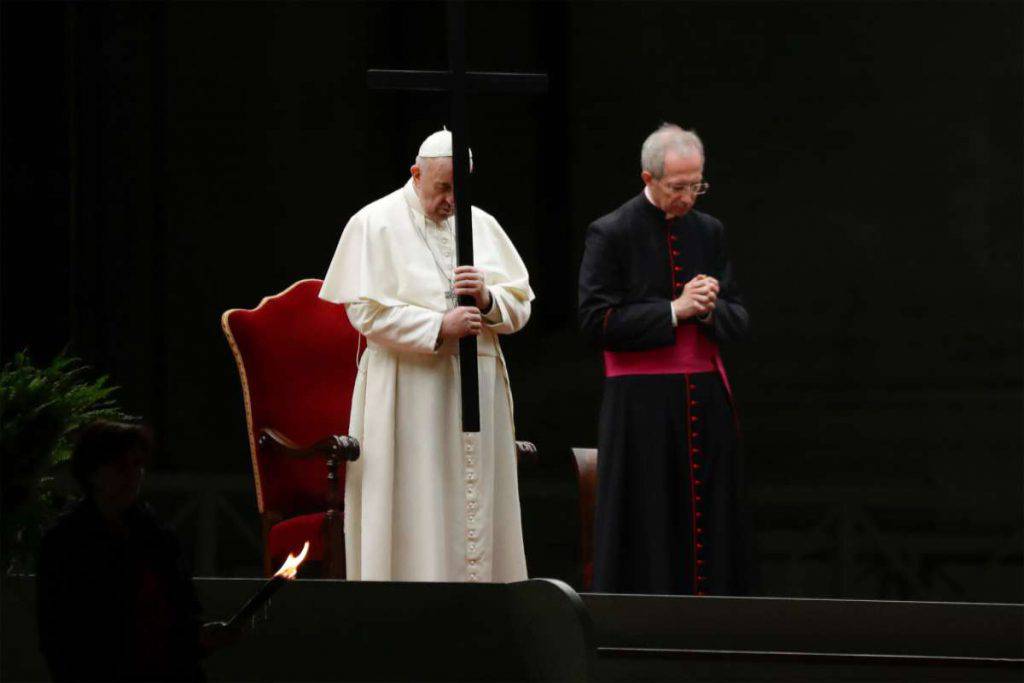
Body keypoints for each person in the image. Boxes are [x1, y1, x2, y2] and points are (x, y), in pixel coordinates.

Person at [319, 128, 534, 583]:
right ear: (416, 174)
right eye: (442, 188)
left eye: (462, 188)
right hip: (409, 389)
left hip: (477, 389)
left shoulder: (483, 225)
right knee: (417, 503)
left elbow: (521, 305)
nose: (453, 201)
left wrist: (489, 300)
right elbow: (364, 311)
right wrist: (437, 326)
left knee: (475, 508)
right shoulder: (374, 223)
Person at [578, 123, 751, 595]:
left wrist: (713, 307)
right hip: (641, 408)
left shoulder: (710, 231)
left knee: (711, 520)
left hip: (705, 402)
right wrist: (673, 310)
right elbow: (595, 322)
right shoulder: (611, 232)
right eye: (678, 187)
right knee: (649, 517)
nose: (688, 198)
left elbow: (741, 317)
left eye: (697, 185)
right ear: (648, 179)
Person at [36, 420, 236, 682]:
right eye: (120, 466)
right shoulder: (67, 542)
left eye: (137, 465)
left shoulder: (155, 535)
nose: (133, 475)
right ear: (93, 473)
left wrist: (199, 639)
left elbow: (179, 612)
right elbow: (63, 638)